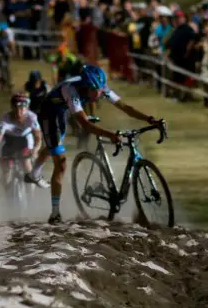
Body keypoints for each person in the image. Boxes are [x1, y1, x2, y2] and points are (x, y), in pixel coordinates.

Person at [28, 64, 162, 224]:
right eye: (94, 90)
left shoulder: (99, 86)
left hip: (65, 110)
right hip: (50, 113)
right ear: (85, 87)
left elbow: (124, 107)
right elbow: (84, 124)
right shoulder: (71, 90)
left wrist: (150, 119)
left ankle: (34, 173)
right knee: (61, 163)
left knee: (52, 148)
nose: (99, 94)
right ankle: (55, 213)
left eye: (100, 90)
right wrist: (110, 135)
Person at [0, 92, 48, 192]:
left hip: (25, 141)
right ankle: (8, 193)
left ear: (27, 108)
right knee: (6, 171)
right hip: (10, 142)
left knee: (26, 163)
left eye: (22, 108)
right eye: (16, 108)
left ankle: (30, 195)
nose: (18, 112)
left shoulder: (31, 117)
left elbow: (38, 137)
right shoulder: (6, 118)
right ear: (12, 107)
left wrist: (35, 149)